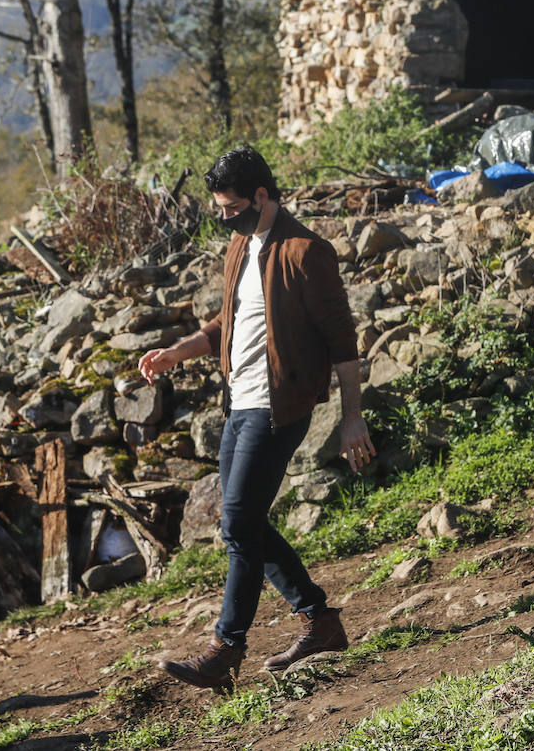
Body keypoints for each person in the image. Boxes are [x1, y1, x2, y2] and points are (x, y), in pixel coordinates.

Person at [138, 146, 375, 692]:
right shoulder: (241, 245)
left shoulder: (306, 251)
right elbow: (231, 318)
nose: (225, 217)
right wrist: (181, 350)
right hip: (239, 401)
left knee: (239, 522)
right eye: (219, 209)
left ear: (263, 196)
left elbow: (343, 342)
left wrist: (352, 418)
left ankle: (226, 648)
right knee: (241, 522)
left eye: (232, 206)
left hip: (279, 406)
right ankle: (320, 620)